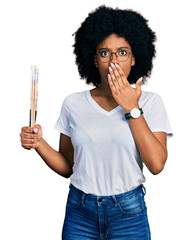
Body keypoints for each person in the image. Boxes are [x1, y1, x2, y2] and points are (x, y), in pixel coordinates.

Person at [20, 5, 173, 240]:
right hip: (80, 212)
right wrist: (40, 144)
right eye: (105, 53)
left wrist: (132, 108)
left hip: (128, 214)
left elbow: (156, 165)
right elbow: (68, 167)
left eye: (122, 52)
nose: (113, 60)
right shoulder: (73, 103)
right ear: (93, 59)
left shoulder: (150, 102)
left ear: (134, 58)